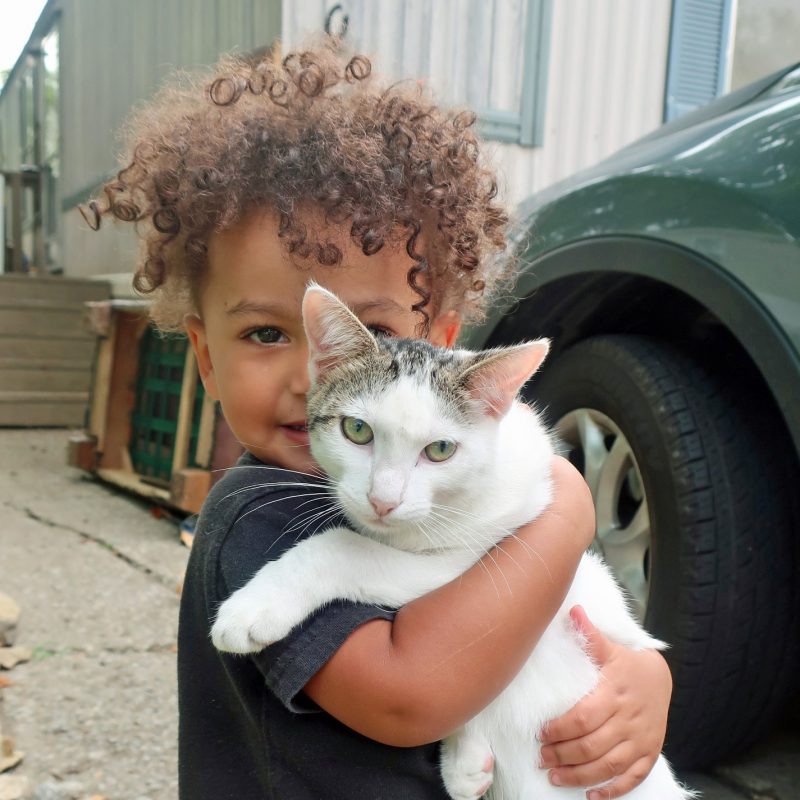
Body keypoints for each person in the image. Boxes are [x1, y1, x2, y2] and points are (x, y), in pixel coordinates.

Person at [85, 40, 673, 800]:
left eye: (376, 339)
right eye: (266, 333)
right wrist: (568, 511)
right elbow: (413, 691)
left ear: (442, 348)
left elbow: (508, 611)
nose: (314, 380)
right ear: (204, 354)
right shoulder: (258, 516)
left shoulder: (427, 479)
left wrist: (644, 675)